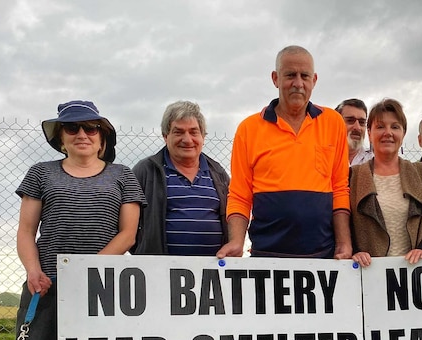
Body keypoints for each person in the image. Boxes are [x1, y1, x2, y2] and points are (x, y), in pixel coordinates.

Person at [15, 100, 145, 340]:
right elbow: (26, 231)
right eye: (72, 128)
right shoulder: (40, 173)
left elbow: (128, 235)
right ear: (60, 138)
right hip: (46, 285)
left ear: (102, 138)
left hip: (103, 287)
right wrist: (33, 271)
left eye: (91, 128)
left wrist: (85, 269)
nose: (82, 134)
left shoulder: (123, 175)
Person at [218, 45, 352, 259]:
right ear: (275, 78)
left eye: (304, 76)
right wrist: (236, 242)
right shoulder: (249, 129)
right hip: (267, 256)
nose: (298, 83)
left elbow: (339, 188)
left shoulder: (333, 123)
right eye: (290, 75)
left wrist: (344, 243)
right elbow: (240, 195)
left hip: (322, 255)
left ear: (314, 80)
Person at [349, 99, 422, 267]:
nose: (388, 133)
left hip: (413, 272)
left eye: (395, 126)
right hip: (368, 274)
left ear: (403, 133)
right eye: (380, 127)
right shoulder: (353, 176)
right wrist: (355, 250)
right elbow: (345, 222)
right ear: (369, 133)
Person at [132, 101, 230, 256]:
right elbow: (126, 225)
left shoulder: (218, 173)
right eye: (178, 132)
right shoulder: (145, 171)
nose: (187, 139)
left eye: (194, 132)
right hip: (159, 272)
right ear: (165, 136)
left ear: (203, 136)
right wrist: (144, 251)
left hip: (212, 272)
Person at [336, 98, 373, 166]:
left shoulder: (375, 161)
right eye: (350, 120)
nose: (357, 127)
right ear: (336, 124)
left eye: (362, 122)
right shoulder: (322, 158)